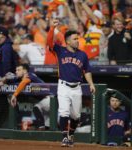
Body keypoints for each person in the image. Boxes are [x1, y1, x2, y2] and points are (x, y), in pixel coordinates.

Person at [47, 18, 95, 147]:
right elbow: (49, 43)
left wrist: (91, 83)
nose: (77, 41)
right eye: (74, 39)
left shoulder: (83, 55)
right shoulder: (60, 50)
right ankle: (64, 137)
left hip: (76, 88)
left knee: (76, 116)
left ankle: (71, 134)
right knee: (64, 112)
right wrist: (51, 28)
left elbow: (87, 71)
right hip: (63, 86)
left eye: (77, 39)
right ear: (67, 41)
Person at [0, 64, 50, 130]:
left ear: (25, 71)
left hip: (49, 100)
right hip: (41, 103)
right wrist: (4, 79)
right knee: (44, 125)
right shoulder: (18, 77)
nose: (16, 72)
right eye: (16, 70)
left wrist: (14, 95)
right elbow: (6, 79)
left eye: (19, 70)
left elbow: (24, 82)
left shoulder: (30, 75)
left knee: (59, 122)